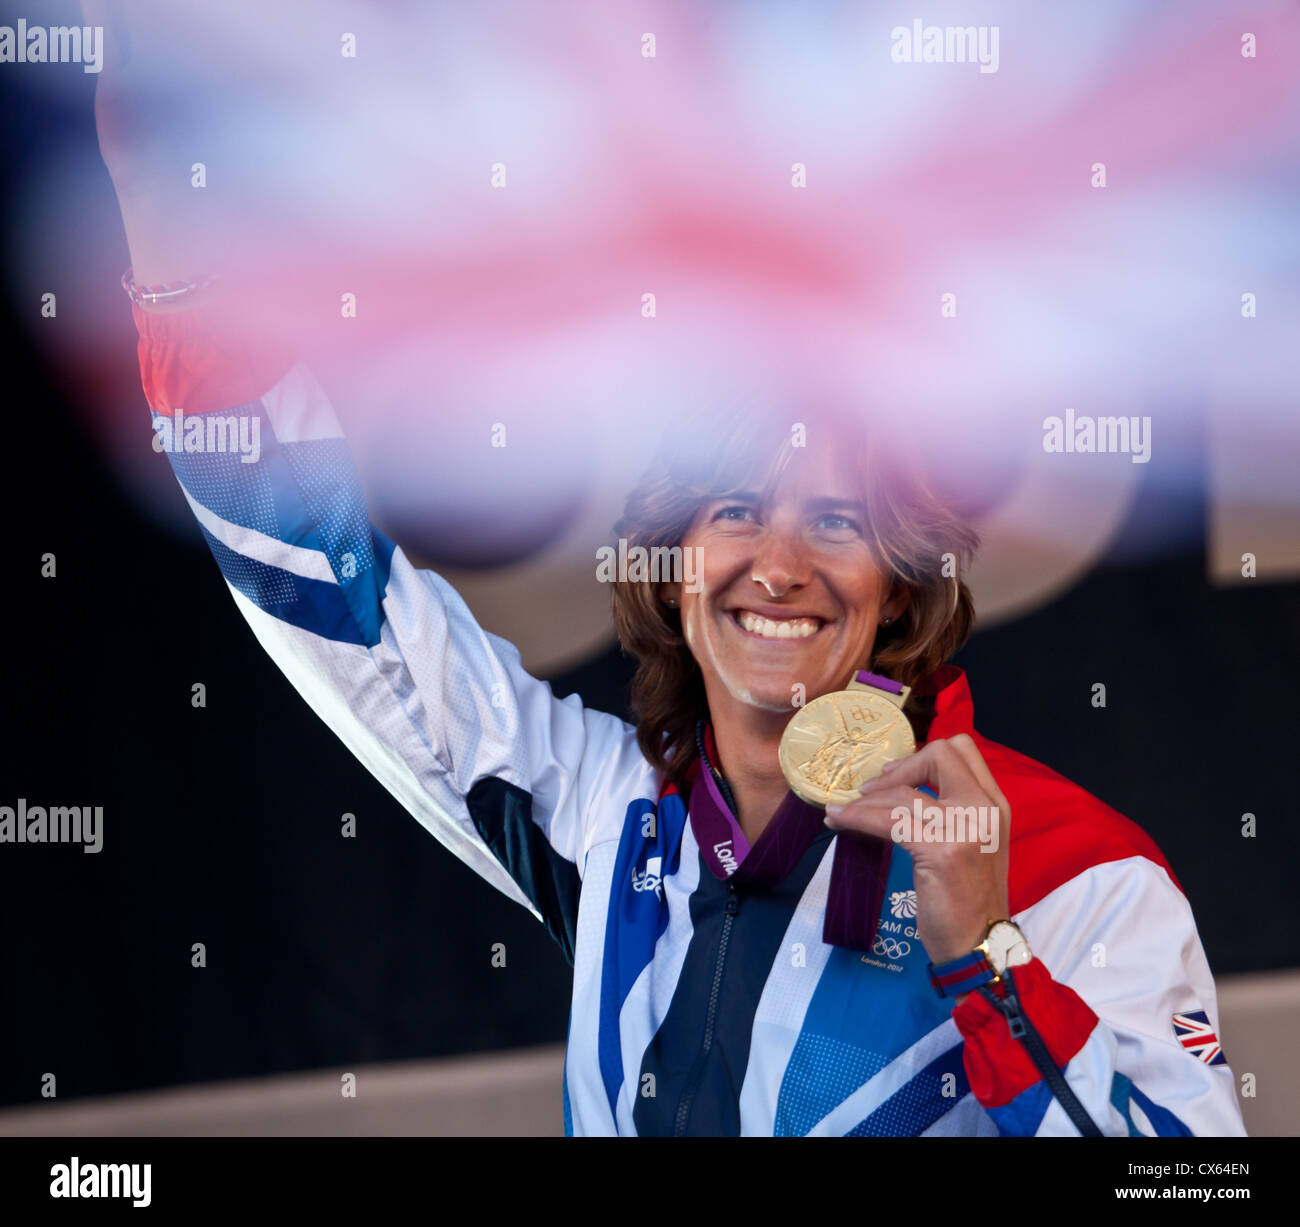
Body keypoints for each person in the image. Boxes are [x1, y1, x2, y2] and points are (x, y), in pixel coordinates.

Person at [93, 7, 1246, 1138]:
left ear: (901, 578)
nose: (778, 568)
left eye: (838, 520)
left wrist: (989, 958)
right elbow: (338, 607)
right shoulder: (611, 816)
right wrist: (184, 276)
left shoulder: (1080, 871)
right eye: (735, 509)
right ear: (673, 566)